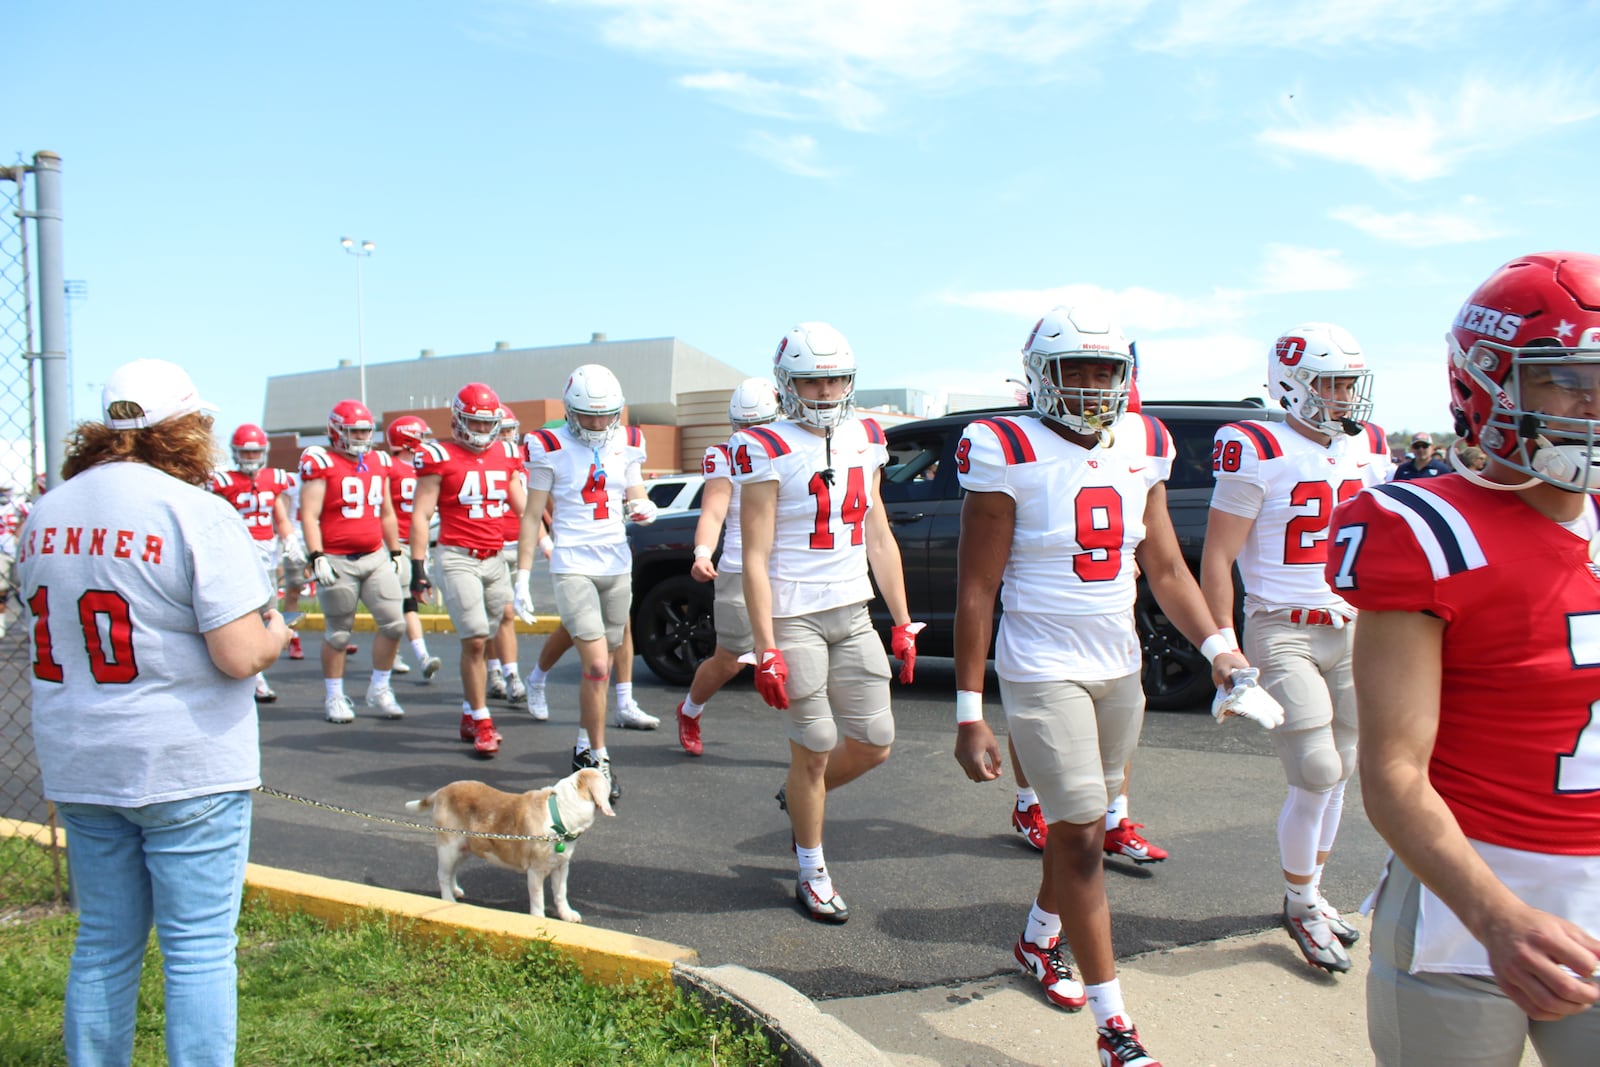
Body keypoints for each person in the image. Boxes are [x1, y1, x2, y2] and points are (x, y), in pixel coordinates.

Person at [952, 305, 1248, 1067]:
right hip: (1041, 666)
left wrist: (1219, 646)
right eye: (1073, 370)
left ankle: (1038, 937)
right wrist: (969, 710)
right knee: (1081, 832)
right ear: (1039, 377)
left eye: (1104, 370)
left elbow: (1167, 567)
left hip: (1119, 667)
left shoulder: (1145, 441)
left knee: (1080, 830)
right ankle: (1116, 1027)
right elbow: (977, 589)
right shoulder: (1004, 445)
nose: (1090, 386)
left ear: (1126, 376)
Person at [1329, 251, 1600, 1065]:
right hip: (1467, 903)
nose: (1593, 401)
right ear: (1489, 386)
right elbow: (1394, 771)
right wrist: (1495, 916)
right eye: (1566, 379)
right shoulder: (1428, 528)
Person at [17, 359, 291, 1065]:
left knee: (104, 941)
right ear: (185, 426)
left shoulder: (47, 509)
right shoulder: (193, 509)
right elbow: (238, 651)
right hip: (183, 757)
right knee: (198, 949)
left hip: (81, 754)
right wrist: (278, 632)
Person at [1199, 322, 1388, 974]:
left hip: (1355, 622)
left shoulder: (1372, 445)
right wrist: (1224, 645)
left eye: (1348, 383)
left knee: (1345, 761)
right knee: (1316, 768)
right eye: (1329, 383)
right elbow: (1218, 556)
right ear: (1291, 385)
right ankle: (1302, 901)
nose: (1342, 397)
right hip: (1283, 625)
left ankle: (1308, 891)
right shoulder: (1255, 443)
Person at [736, 322, 919, 925]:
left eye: (835, 378)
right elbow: (755, 556)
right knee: (814, 746)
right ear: (789, 384)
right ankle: (811, 866)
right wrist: (765, 646)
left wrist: (901, 620)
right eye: (813, 380)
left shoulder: (867, 434)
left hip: (852, 609)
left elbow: (878, 533)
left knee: (873, 745)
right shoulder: (764, 445)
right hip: (794, 615)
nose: (825, 390)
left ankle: (798, 801)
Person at [515, 364, 658, 801]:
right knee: (596, 666)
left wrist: (644, 509)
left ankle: (582, 743)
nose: (598, 424)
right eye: (588, 415)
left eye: (605, 415)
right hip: (572, 561)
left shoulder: (629, 441)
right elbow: (530, 512)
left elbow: (635, 494)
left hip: (615, 562)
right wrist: (522, 576)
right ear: (570, 411)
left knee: (607, 662)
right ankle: (598, 757)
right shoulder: (548, 445)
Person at [409, 383, 527, 756]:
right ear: (459, 420)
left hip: (494, 556)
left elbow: (523, 507)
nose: (479, 432)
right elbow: (421, 513)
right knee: (475, 639)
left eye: (485, 424)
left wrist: (549, 537)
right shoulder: (439, 456)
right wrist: (417, 566)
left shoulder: (507, 453)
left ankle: (468, 709)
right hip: (457, 555)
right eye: (473, 424)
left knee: (494, 629)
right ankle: (481, 719)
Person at [673, 377, 780, 756]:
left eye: (759, 427)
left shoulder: (796, 446)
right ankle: (690, 710)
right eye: (743, 427)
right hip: (740, 565)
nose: (750, 435)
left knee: (807, 653)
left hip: (790, 565)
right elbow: (715, 508)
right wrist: (703, 551)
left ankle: (814, 750)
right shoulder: (725, 455)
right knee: (730, 660)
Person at [298, 399, 407, 723]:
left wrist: (396, 550)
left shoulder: (378, 460)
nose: (360, 437)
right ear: (335, 431)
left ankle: (380, 688)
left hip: (374, 556)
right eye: (354, 431)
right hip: (337, 558)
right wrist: (317, 555)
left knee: (394, 624)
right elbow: (310, 513)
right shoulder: (322, 461)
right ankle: (333, 696)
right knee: (339, 633)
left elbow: (386, 511)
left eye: (364, 431)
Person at [209, 423, 297, 704]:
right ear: (236, 454)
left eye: (255, 452)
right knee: (245, 614)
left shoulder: (272, 479)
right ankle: (256, 678)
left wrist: (291, 541)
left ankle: (254, 672)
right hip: (237, 556)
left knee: (267, 612)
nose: (250, 458)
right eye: (246, 454)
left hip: (266, 556)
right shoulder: (224, 482)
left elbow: (280, 518)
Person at [385, 414, 443, 679]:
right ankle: (422, 656)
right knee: (404, 603)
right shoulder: (390, 468)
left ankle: (393, 653)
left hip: (417, 544)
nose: (426, 442)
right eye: (421, 436)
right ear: (409, 441)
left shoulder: (426, 469)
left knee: (401, 604)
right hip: (397, 544)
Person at [485, 406, 528, 705]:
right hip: (493, 545)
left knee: (501, 615)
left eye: (510, 429)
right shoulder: (483, 462)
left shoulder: (523, 459)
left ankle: (497, 671)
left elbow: (533, 505)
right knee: (501, 613)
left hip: (519, 543)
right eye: (501, 430)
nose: (507, 435)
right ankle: (503, 673)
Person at [0, 482, 28, 639]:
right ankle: (1, 626)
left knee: (23, 588)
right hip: (1, 552)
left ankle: (27, 618)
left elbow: (26, 518)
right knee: (1, 589)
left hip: (18, 551)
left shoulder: (19, 505)